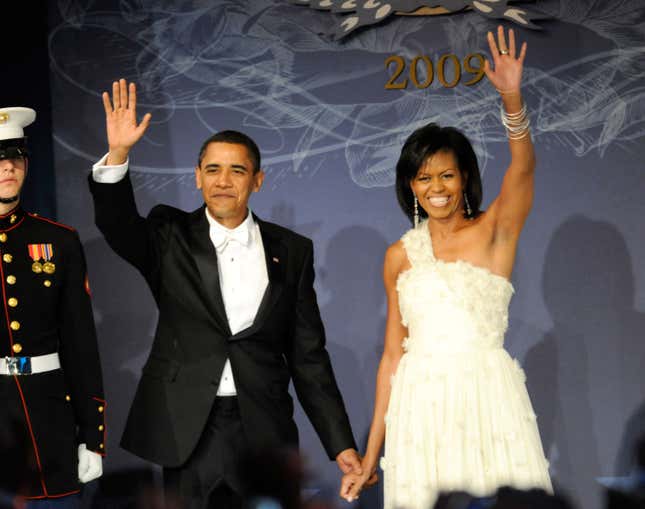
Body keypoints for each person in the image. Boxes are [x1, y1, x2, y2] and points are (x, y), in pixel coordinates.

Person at [88, 79, 363, 509]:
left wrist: (341, 445)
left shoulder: (291, 251)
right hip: (188, 426)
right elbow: (117, 224)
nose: (223, 181)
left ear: (258, 180)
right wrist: (119, 154)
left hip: (262, 426)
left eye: (237, 170)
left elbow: (309, 357)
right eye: (212, 169)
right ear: (197, 178)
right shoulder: (169, 235)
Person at [340, 27, 552, 508]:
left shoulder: (496, 230)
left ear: (464, 180)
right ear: (410, 187)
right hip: (419, 414)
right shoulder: (399, 255)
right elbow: (392, 357)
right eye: (423, 177)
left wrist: (512, 100)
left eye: (447, 175)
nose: (436, 187)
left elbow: (523, 168)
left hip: (487, 402)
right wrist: (372, 455)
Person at [0, 107, 105, 508]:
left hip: (49, 425)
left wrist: (92, 438)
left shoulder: (57, 240)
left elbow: (80, 344)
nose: (8, 167)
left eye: (15, 156)